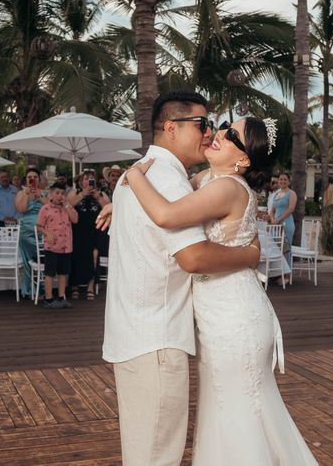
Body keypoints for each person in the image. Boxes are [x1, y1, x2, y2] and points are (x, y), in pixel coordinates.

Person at [119, 113, 316, 466]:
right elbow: (169, 196)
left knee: (238, 414)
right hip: (219, 317)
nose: (220, 134)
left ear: (243, 160)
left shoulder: (227, 188)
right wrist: (116, 205)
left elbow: (165, 214)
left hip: (234, 319)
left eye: (232, 136)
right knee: (229, 411)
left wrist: (132, 176)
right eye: (224, 127)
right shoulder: (209, 178)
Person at [98, 92, 271, 466]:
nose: (211, 133)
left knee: (145, 452)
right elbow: (192, 257)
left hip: (136, 331)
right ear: (171, 128)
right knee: (156, 456)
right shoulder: (165, 180)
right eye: (203, 125)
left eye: (217, 127)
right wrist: (249, 255)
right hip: (157, 338)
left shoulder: (145, 172)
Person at [67, 171, 110, 301]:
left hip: (95, 229)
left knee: (94, 256)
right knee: (76, 255)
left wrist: (98, 197)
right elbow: (68, 205)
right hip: (78, 229)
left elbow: (108, 208)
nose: (88, 181)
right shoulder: (75, 192)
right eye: (86, 179)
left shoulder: (101, 193)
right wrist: (82, 194)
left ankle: (90, 286)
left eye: (91, 178)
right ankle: (74, 286)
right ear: (81, 182)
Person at [36, 183, 78, 309]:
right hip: (52, 247)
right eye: (57, 193)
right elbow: (39, 226)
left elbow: (75, 220)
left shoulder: (67, 207)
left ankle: (61, 297)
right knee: (49, 273)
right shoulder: (45, 209)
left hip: (65, 246)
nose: (60, 196)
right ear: (51, 194)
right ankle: (48, 299)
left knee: (63, 273)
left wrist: (66, 205)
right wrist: (46, 233)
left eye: (62, 193)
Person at [15, 168, 47, 298]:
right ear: (26, 179)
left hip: (41, 231)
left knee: (41, 260)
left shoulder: (44, 193)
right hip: (26, 232)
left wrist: (39, 196)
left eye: (35, 177)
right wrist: (27, 194)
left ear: (39, 179)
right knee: (28, 260)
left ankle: (41, 288)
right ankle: (29, 289)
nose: (32, 179)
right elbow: (21, 209)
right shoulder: (20, 193)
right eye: (29, 177)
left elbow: (50, 208)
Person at [268, 172, 297, 269]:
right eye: (281, 179)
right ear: (278, 181)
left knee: (286, 248)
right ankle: (278, 272)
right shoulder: (276, 194)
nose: (282, 181)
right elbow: (272, 210)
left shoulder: (291, 193)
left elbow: (291, 209)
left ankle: (287, 274)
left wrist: (278, 219)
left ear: (288, 181)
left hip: (287, 223)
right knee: (276, 248)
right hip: (275, 225)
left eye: (285, 179)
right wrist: (272, 219)